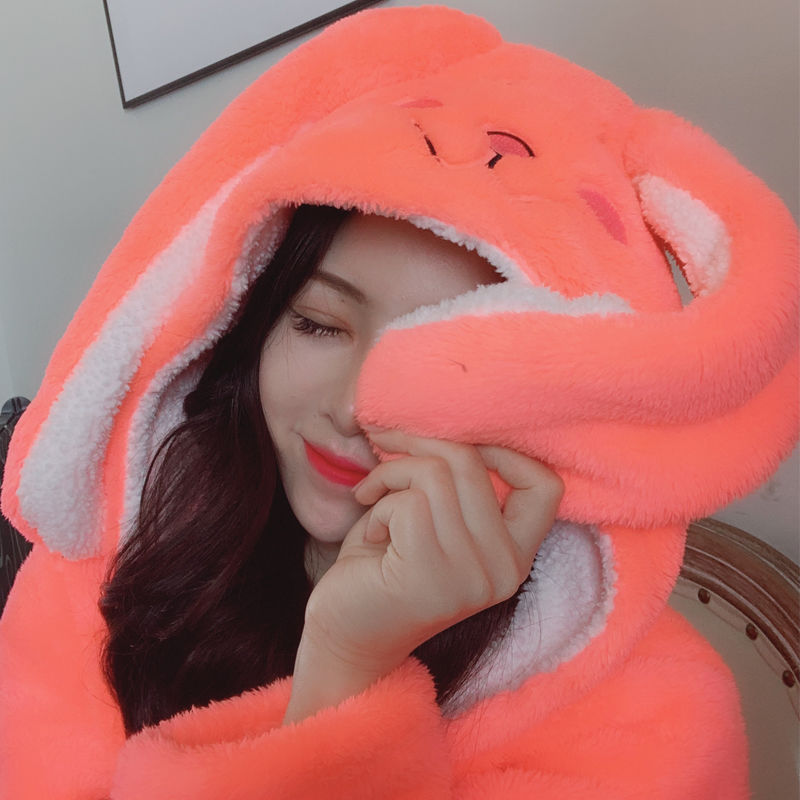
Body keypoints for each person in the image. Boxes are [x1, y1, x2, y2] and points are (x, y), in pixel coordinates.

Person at [0, 5, 797, 799]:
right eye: (318, 324)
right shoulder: (106, 570)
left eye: (451, 365)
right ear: (253, 323)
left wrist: (347, 670)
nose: (354, 408)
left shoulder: (659, 721)